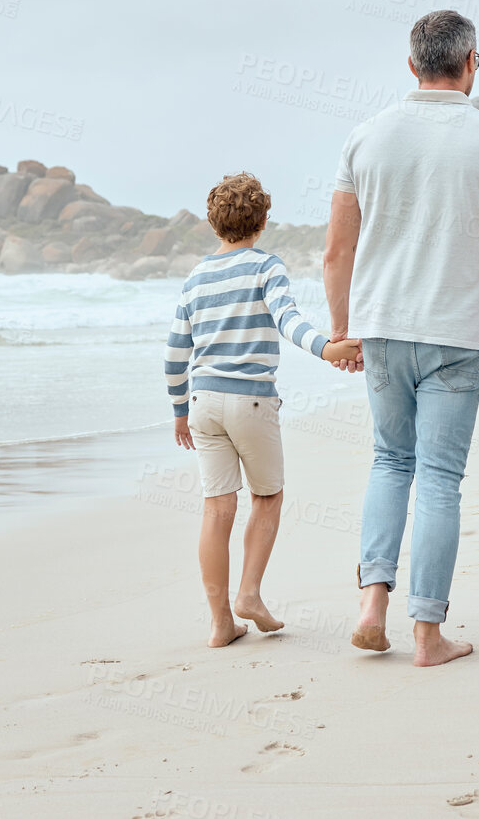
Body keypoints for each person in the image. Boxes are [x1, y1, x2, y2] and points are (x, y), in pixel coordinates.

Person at [322, 9, 479, 667]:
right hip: (455, 336)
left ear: (412, 64)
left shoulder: (366, 137)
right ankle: (427, 634)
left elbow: (337, 251)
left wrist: (342, 329)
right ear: (471, 61)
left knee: (390, 462)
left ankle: (371, 604)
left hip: (384, 329)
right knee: (440, 479)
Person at [166, 172, 361, 647]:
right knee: (267, 497)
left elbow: (175, 351)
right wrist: (327, 349)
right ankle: (248, 595)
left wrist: (178, 411)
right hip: (251, 400)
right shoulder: (266, 266)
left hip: (203, 402)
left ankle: (219, 624)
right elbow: (288, 321)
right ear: (263, 220)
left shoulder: (195, 278)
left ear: (215, 225)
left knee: (216, 509)